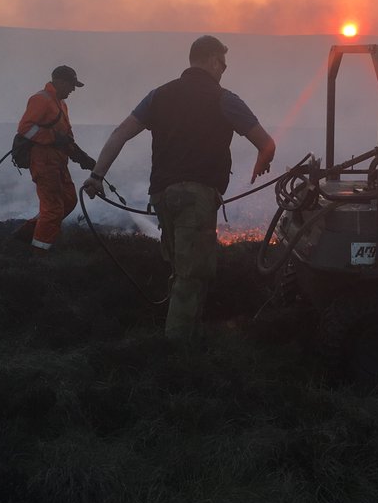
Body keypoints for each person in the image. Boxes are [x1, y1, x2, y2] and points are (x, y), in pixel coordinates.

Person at [84, 35, 276, 338]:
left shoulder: (158, 96)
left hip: (162, 196)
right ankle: (177, 355)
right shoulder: (225, 99)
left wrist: (96, 176)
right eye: (223, 64)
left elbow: (120, 133)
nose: (224, 70)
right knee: (193, 275)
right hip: (195, 198)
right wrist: (263, 160)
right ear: (212, 60)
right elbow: (266, 143)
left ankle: (185, 333)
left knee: (181, 268)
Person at [14, 65, 97, 251]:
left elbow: (65, 137)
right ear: (59, 82)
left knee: (69, 200)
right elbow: (25, 128)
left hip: (59, 162)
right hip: (43, 162)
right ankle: (38, 254)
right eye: (71, 85)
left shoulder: (61, 104)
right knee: (53, 209)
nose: (73, 89)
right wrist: (52, 137)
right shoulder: (41, 100)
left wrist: (81, 157)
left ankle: (24, 237)